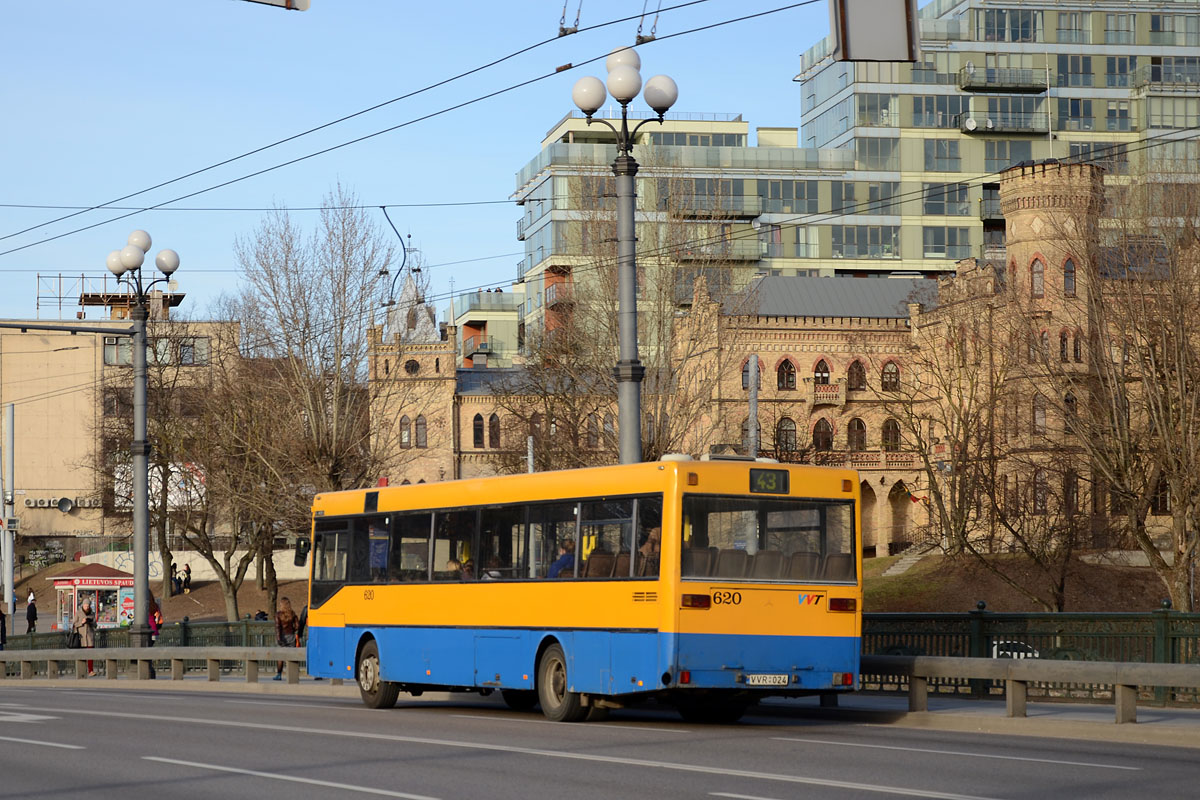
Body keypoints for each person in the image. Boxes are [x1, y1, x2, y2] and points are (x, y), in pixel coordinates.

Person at [274, 596, 299, 680]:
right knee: (292, 656)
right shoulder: (292, 613)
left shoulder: (278, 614)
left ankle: (279, 674)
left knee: (280, 657)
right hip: (291, 636)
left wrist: (279, 639)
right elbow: (297, 625)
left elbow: (277, 627)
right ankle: (293, 674)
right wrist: (293, 630)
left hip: (282, 636)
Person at [72, 598, 96, 677]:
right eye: (85, 605)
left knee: (90, 654)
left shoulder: (92, 613)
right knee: (82, 654)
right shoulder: (78, 613)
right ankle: (82, 670)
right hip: (81, 637)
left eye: (88, 605)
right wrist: (81, 622)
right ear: (83, 605)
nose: (86, 607)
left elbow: (95, 625)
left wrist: (90, 622)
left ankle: (91, 670)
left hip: (89, 637)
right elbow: (74, 624)